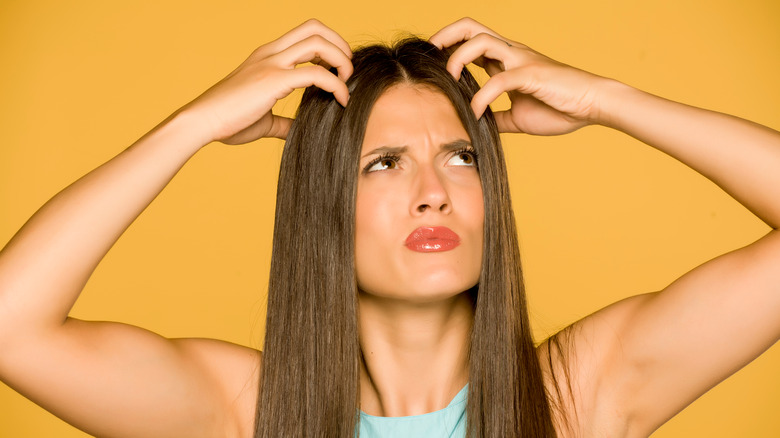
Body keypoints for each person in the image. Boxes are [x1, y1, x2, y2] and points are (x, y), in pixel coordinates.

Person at [0, 16, 778, 437]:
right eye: (385, 164)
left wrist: (607, 99)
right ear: (323, 202)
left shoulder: (577, 399)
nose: (432, 193)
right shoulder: (247, 412)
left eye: (460, 158)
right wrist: (192, 125)